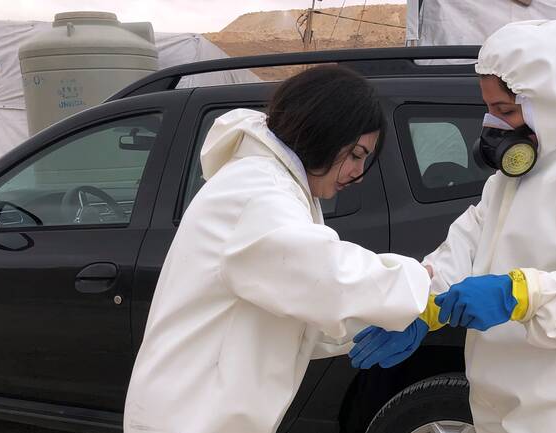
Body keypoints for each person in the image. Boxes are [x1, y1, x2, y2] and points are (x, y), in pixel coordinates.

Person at [349, 20, 556, 433]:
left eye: (505, 110)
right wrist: (421, 308)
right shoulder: (509, 181)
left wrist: (521, 294)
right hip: (496, 409)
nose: (494, 125)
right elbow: (462, 252)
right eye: (489, 109)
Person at [123, 65, 432, 433]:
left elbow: (291, 309)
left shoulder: (274, 185)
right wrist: (418, 282)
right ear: (325, 133)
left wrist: (364, 326)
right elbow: (324, 274)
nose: (359, 172)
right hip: (190, 418)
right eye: (356, 153)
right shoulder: (258, 190)